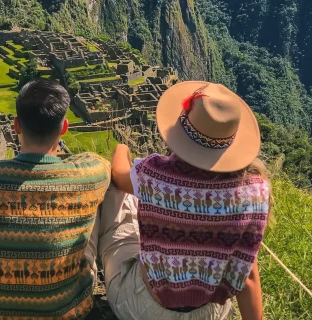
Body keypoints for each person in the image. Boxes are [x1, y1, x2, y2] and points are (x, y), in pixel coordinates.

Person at [0, 79, 111, 319]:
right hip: (67, 307)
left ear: (16, 126)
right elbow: (100, 162)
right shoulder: (89, 174)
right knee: (100, 196)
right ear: (64, 127)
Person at [104, 81, 273, 320]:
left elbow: (120, 177)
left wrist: (121, 148)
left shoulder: (154, 175)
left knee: (116, 204)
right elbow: (249, 278)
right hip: (209, 313)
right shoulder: (254, 193)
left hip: (144, 308)